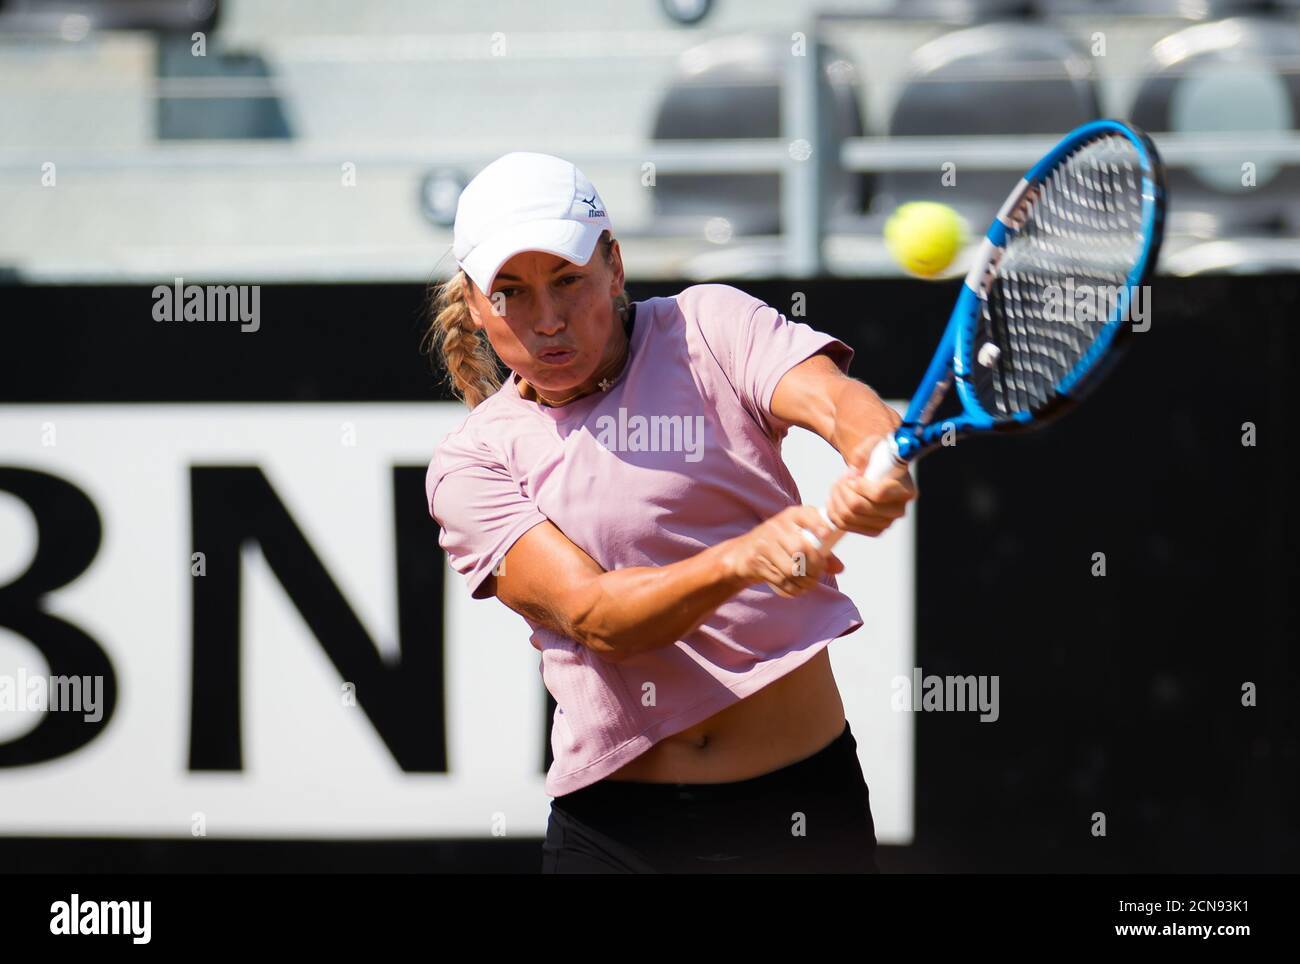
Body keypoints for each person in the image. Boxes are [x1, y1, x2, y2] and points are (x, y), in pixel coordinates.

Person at [423, 151, 916, 873]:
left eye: (568, 280)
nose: (549, 319)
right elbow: (596, 615)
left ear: (614, 266)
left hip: (805, 815)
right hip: (618, 843)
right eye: (513, 294)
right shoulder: (470, 464)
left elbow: (837, 401)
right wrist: (743, 559)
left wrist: (875, 455)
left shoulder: (708, 326)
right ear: (474, 303)